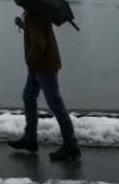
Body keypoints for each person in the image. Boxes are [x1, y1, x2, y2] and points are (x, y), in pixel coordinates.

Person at [8, 9, 80, 160]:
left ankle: (71, 144)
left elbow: (39, 44)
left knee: (55, 102)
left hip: (43, 65)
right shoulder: (36, 13)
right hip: (42, 65)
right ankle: (30, 138)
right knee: (28, 97)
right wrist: (22, 24)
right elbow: (37, 34)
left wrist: (30, 59)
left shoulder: (34, 15)